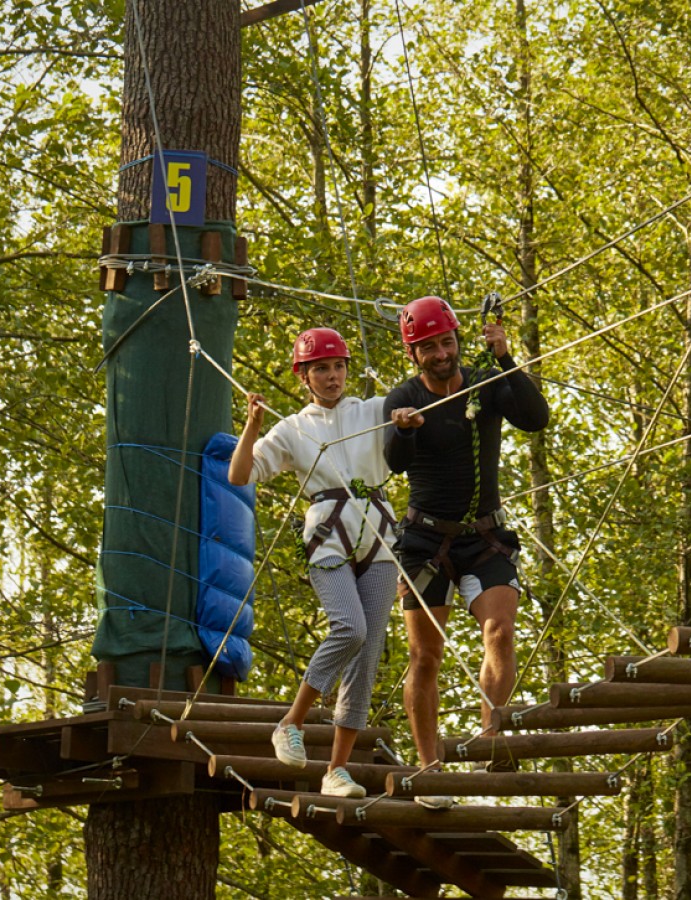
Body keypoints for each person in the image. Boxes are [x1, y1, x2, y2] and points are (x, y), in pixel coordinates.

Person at [384, 296, 550, 808]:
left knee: (500, 630)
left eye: (447, 342)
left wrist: (505, 357)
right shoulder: (405, 398)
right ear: (413, 354)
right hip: (425, 542)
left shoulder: (485, 383)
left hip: (485, 538)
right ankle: (428, 768)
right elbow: (394, 462)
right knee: (425, 656)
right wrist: (403, 429)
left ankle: (489, 738)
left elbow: (536, 418)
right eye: (429, 348)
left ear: (458, 341)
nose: (441, 354)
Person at [229, 327, 398, 799]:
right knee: (350, 628)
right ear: (303, 376)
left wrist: (406, 420)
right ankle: (291, 722)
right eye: (321, 369)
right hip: (329, 538)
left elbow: (421, 404)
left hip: (380, 537)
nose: (332, 376)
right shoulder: (293, 429)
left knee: (366, 656)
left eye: (338, 367)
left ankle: (336, 771)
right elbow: (239, 474)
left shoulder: (372, 410)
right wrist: (252, 426)